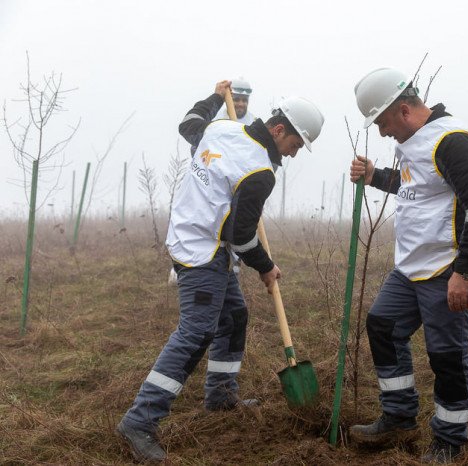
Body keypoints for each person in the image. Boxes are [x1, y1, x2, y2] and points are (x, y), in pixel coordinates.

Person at [117, 96, 324, 462]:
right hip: (204, 251)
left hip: (193, 233)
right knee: (196, 332)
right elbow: (241, 236)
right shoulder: (260, 172)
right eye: (294, 145)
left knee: (233, 317)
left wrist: (214, 97)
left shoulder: (220, 127)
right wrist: (266, 265)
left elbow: (189, 123)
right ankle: (140, 420)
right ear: (278, 130)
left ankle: (221, 395)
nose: (292, 154)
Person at [347, 67, 468, 464]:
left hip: (449, 266)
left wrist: (465, 273)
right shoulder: (416, 141)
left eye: (382, 123)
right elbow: (417, 187)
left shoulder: (454, 141)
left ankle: (450, 439)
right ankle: (398, 418)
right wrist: (375, 176)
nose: (382, 133)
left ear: (403, 109)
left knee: (446, 354)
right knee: (383, 325)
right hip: (411, 267)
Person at [170, 77, 257, 284]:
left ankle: (231, 271)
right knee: (202, 228)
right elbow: (192, 131)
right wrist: (216, 98)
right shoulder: (215, 121)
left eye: (245, 100)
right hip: (207, 187)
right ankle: (186, 267)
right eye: (236, 99)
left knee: (235, 229)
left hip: (236, 191)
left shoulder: (253, 125)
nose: (241, 104)